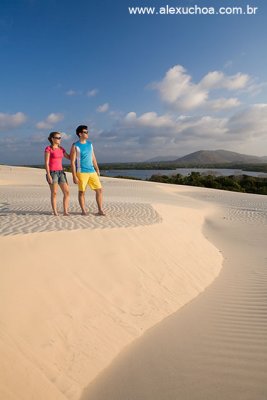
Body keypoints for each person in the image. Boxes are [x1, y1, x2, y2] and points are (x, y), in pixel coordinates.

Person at [70, 125, 105, 216]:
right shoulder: (75, 145)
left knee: (99, 190)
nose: (87, 133)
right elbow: (72, 162)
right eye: (85, 132)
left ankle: (100, 210)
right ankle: (83, 211)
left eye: (87, 132)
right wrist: (74, 176)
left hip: (92, 171)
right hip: (81, 172)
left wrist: (97, 169)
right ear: (80, 134)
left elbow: (93, 157)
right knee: (82, 192)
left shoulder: (90, 144)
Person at [44, 132, 70, 216]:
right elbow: (46, 163)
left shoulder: (61, 149)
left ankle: (65, 211)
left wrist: (75, 149)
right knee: (54, 193)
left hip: (61, 173)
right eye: (58, 138)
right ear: (52, 139)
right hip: (53, 173)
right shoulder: (48, 149)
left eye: (60, 137)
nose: (59, 139)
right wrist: (48, 174)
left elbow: (69, 157)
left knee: (66, 192)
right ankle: (55, 211)